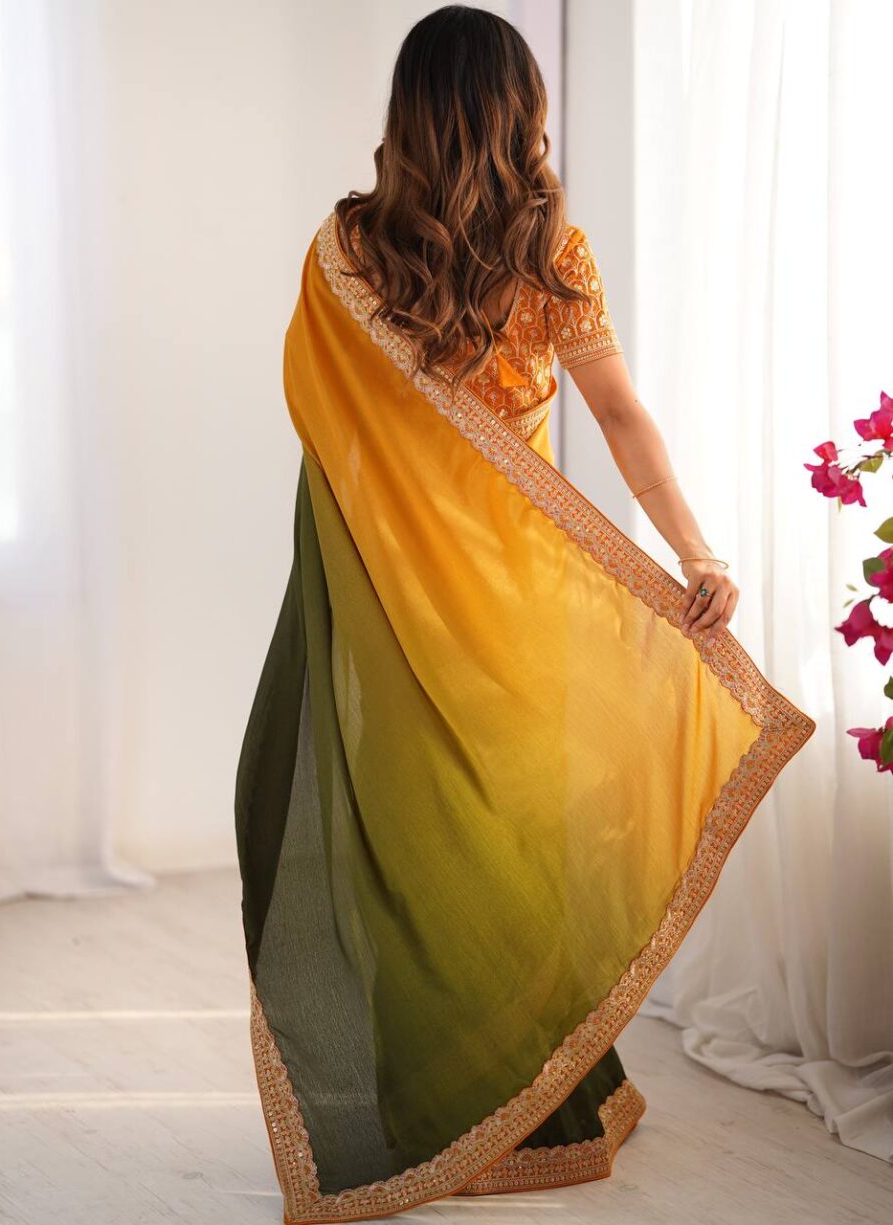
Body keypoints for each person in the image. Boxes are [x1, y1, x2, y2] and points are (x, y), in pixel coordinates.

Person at [234, 7, 816, 1222]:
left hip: (398, 606)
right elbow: (617, 416)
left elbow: (330, 439)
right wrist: (692, 547)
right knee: (520, 845)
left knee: (424, 842)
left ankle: (442, 1102)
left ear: (407, 109)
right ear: (520, 110)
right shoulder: (548, 248)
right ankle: (532, 1102)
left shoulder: (343, 249)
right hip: (519, 604)